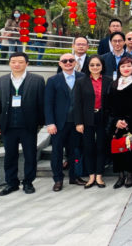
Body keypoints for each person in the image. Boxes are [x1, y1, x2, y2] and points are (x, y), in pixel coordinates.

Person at [0, 52, 45, 196]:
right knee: (10, 156)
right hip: (8, 126)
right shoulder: (0, 81)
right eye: (13, 62)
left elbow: (41, 103)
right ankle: (11, 183)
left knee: (30, 155)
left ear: (27, 64)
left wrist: (41, 122)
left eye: (21, 62)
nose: (17, 64)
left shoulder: (37, 80)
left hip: (28, 126)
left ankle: (28, 182)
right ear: (9, 63)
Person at [44, 53, 84, 191]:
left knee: (75, 151)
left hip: (77, 122)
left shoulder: (82, 77)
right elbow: (48, 103)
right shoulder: (52, 80)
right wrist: (50, 123)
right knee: (57, 152)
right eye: (64, 61)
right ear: (60, 63)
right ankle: (58, 179)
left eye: (71, 60)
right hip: (58, 124)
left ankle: (75, 177)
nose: (68, 63)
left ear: (75, 63)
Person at [74, 55, 111, 188]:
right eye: (92, 65)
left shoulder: (109, 81)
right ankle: (91, 176)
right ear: (88, 66)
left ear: (102, 66)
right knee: (88, 147)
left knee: (101, 146)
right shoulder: (80, 82)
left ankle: (99, 176)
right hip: (87, 118)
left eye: (98, 65)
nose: (95, 67)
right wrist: (79, 122)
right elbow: (77, 103)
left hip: (103, 118)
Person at [107, 57, 132, 189]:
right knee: (117, 149)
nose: (126, 69)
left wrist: (128, 121)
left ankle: (130, 175)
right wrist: (116, 121)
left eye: (128, 66)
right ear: (119, 69)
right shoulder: (114, 84)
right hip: (116, 121)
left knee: (129, 148)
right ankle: (120, 176)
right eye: (123, 66)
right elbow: (110, 105)